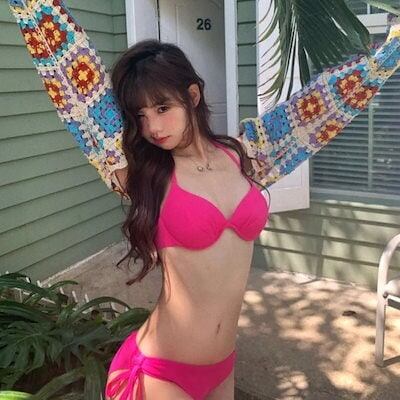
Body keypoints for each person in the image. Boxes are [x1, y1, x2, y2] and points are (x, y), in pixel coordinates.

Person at [8, 1, 400, 399]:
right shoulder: (145, 175)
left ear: (192, 96)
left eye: (163, 108)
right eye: (140, 116)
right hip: (161, 369)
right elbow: (76, 84)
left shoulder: (244, 155)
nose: (152, 126)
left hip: (222, 366)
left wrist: (389, 53)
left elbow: (317, 111)